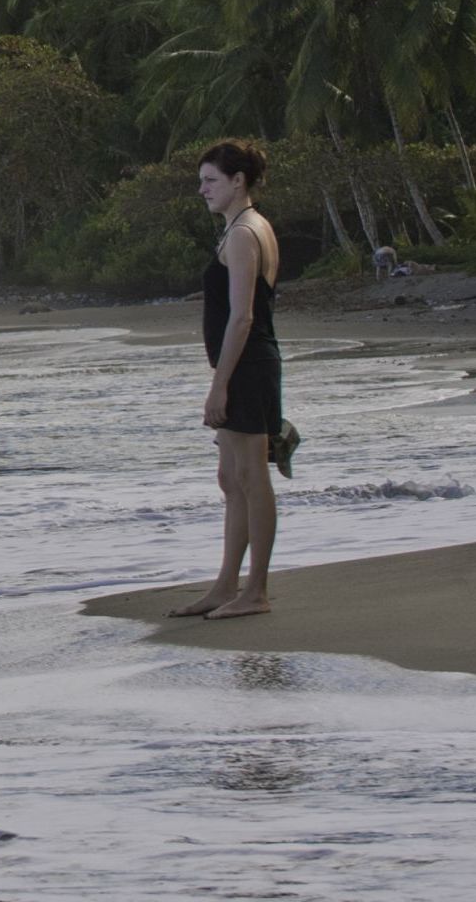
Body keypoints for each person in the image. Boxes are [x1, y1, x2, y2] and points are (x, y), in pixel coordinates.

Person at [170, 138, 295, 621]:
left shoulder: (245, 232)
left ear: (237, 181)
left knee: (250, 475)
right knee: (230, 477)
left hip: (248, 366)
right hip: (244, 364)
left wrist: (219, 384)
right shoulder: (237, 229)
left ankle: (255, 591)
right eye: (201, 181)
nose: (201, 190)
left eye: (210, 181)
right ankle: (225, 586)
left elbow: (242, 318)